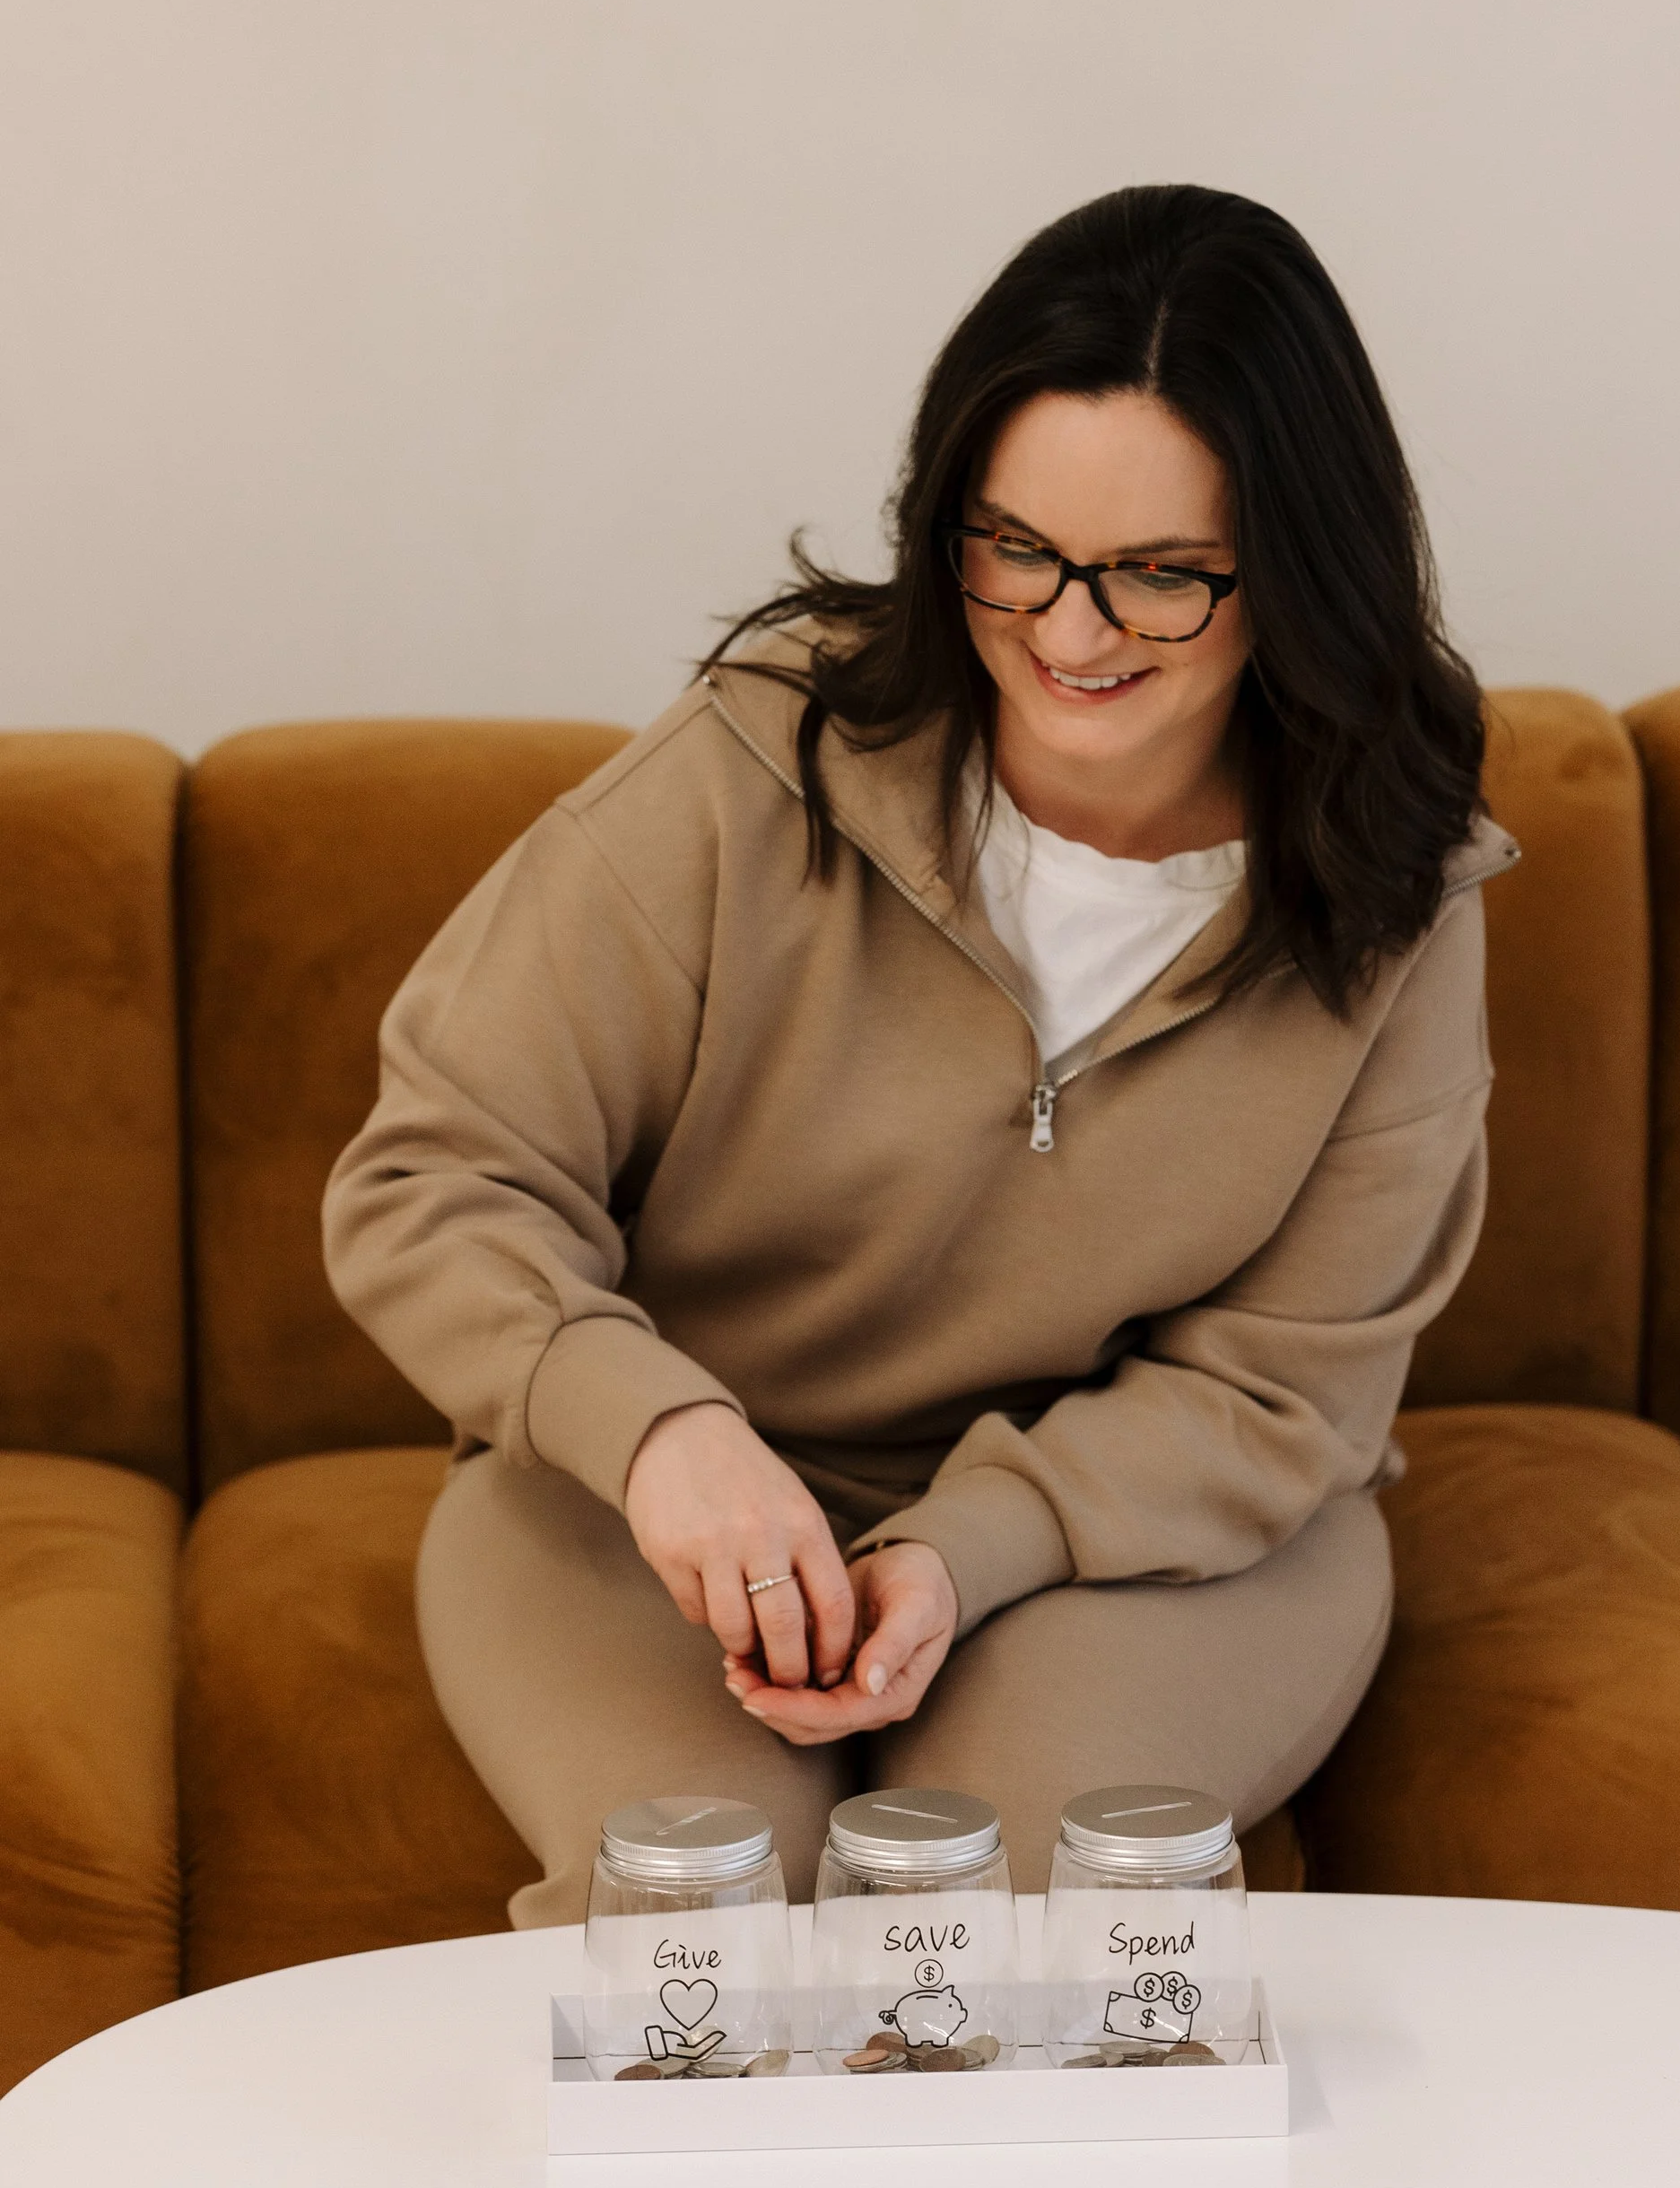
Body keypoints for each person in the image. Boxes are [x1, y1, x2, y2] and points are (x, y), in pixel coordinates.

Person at [324, 183, 1514, 1918]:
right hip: (654, 1506)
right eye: (1014, 543)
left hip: (1141, 1541)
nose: (1071, 630)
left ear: (1300, 570)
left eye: (1164, 577)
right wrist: (661, 1436)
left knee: (1009, 1924)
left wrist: (970, 1546)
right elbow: (438, 1172)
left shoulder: (1396, 888)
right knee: (700, 1921)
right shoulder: (752, 770)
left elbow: (1285, 1390)